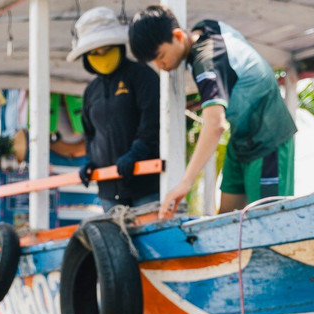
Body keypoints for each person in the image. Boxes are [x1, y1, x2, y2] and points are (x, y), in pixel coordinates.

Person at [129, 6, 296, 219]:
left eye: (160, 56)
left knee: (271, 225)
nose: (160, 66)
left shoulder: (207, 60)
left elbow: (215, 125)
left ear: (178, 36)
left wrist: (184, 184)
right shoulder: (207, 28)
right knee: (227, 221)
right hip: (241, 139)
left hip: (269, 138)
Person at [67, 6, 160, 208]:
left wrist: (136, 153)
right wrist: (91, 161)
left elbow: (152, 122)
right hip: (108, 191)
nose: (101, 55)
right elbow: (90, 133)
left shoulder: (142, 76)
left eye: (106, 49)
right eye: (95, 52)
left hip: (145, 186)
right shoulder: (91, 91)